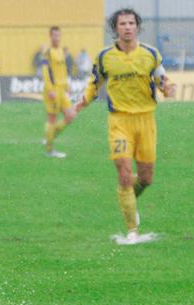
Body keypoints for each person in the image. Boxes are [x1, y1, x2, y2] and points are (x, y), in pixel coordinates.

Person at [74, 8, 176, 244]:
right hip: (119, 121)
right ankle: (132, 231)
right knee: (123, 173)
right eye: (123, 23)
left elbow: (162, 79)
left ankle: (128, 197)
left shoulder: (151, 54)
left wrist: (168, 88)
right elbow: (94, 82)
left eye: (131, 23)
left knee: (146, 178)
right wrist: (83, 101)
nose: (127, 27)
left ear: (137, 27)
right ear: (116, 28)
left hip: (146, 119)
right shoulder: (104, 57)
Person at [41, 27, 77, 158]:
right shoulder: (47, 52)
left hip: (62, 89)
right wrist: (50, 89)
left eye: (59, 35)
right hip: (53, 90)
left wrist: (67, 85)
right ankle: (49, 150)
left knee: (71, 115)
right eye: (55, 36)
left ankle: (49, 136)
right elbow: (45, 72)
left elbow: (63, 70)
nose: (57, 38)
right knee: (52, 119)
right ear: (50, 36)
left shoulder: (61, 51)